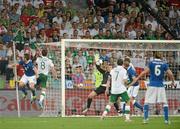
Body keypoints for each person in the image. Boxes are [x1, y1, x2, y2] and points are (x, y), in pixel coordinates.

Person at [133, 52, 175, 124]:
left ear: (154, 56)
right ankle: (166, 120)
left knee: (147, 101)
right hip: (160, 86)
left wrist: (137, 78)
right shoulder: (164, 63)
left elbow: (144, 72)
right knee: (164, 102)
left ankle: (146, 119)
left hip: (152, 85)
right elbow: (170, 73)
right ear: (161, 56)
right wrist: (173, 81)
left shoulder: (151, 63)